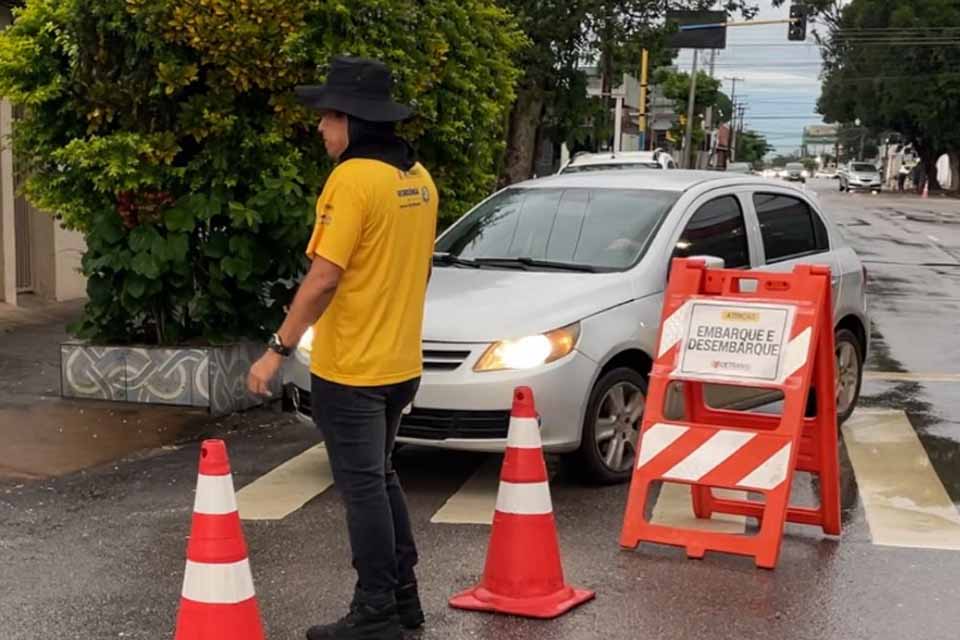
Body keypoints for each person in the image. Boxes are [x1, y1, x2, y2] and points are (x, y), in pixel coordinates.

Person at [246, 56, 438, 640]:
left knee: (363, 490)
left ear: (352, 119)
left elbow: (324, 278)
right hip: (400, 363)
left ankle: (375, 612)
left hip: (353, 367)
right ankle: (403, 599)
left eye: (328, 116)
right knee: (380, 477)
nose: (321, 127)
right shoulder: (418, 178)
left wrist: (277, 348)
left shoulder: (353, 180)